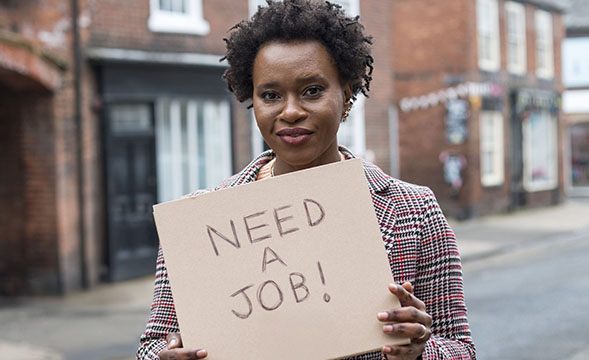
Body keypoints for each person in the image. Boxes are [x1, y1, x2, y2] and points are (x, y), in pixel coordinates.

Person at [136, 1, 476, 359]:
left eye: (312, 90)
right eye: (270, 95)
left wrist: (421, 351)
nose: (291, 111)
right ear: (251, 100)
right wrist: (168, 356)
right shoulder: (201, 225)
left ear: (346, 93)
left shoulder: (414, 210)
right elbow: (153, 345)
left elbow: (461, 348)